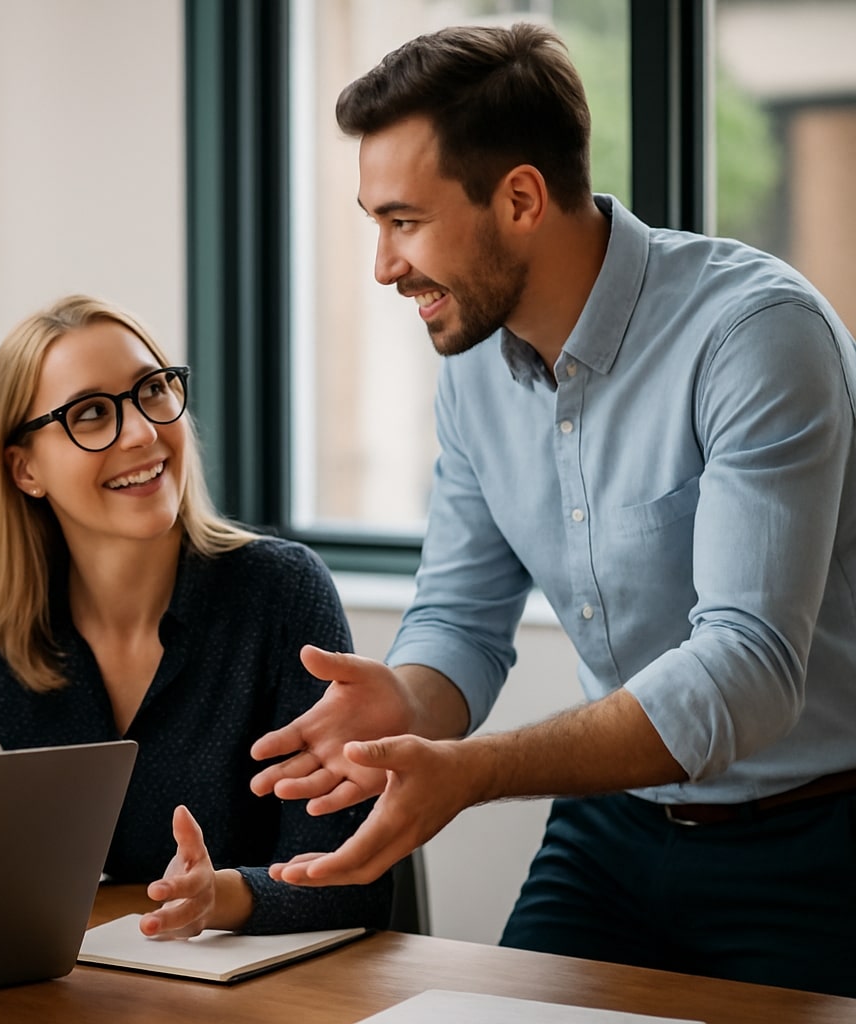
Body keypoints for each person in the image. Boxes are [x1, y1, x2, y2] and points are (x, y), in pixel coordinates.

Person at [248, 23, 856, 996]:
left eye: (404, 221)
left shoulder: (754, 335)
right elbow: (461, 619)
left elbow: (748, 669)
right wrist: (406, 700)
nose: (382, 266)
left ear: (521, 197)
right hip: (609, 832)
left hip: (812, 845)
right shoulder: (473, 372)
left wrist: (477, 769)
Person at [0, 295, 390, 937]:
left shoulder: (280, 592)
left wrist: (219, 897)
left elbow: (354, 879)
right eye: (90, 414)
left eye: (152, 390)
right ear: (25, 468)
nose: (143, 432)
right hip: (89, 986)